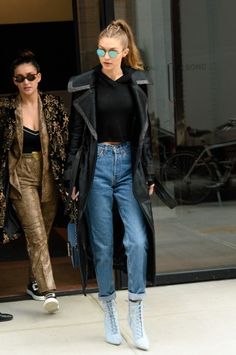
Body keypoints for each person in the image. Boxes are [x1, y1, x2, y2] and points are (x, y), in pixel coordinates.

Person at [64, 19, 156, 350]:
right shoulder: (85, 85)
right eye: (101, 50)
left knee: (137, 241)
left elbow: (146, 133)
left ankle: (135, 311)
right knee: (101, 246)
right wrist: (72, 177)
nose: (105, 56)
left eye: (111, 51)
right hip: (97, 166)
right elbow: (75, 134)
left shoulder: (138, 82)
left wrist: (150, 172)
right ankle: (110, 314)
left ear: (125, 52)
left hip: (128, 165)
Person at [0, 50, 69, 313]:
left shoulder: (52, 105)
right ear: (14, 81)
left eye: (30, 76)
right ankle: (49, 291)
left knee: (44, 232)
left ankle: (33, 283)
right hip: (21, 177)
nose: (26, 82)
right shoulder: (6, 109)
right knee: (37, 235)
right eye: (20, 78)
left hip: (48, 175)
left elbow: (65, 141)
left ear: (38, 77)